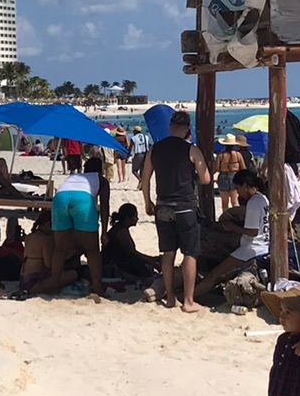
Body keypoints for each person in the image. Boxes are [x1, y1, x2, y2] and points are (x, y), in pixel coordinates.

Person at [141, 109, 212, 311]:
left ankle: (170, 297)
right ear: (187, 130)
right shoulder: (192, 150)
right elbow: (206, 179)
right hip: (185, 206)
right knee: (190, 253)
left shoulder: (155, 149)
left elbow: (145, 178)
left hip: (162, 205)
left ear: (170, 127)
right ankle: (188, 301)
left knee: (168, 252)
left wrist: (147, 201)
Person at [194, 169, 269, 303]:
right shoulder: (263, 199)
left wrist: (232, 227)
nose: (237, 192)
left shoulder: (253, 203)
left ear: (246, 185)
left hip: (252, 247)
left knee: (214, 275)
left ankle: (185, 297)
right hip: (264, 244)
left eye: (238, 188)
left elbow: (253, 232)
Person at [40, 156, 109, 298]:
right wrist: (104, 232)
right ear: (100, 171)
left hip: (60, 198)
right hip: (82, 199)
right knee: (92, 250)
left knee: (60, 249)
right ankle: (97, 288)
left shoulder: (75, 176)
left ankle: (54, 284)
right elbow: (104, 207)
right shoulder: (101, 180)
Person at [20, 210, 77, 295]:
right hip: (34, 283)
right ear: (47, 225)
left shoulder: (29, 237)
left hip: (23, 281)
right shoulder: (45, 240)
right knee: (73, 274)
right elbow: (49, 265)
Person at [101, 203, 158, 284]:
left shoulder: (120, 228)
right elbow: (132, 253)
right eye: (135, 216)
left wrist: (152, 258)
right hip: (114, 267)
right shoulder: (121, 232)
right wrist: (152, 262)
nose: (137, 219)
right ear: (127, 218)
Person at [213, 135, 244, 213]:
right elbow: (243, 168)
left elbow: (216, 168)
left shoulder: (221, 155)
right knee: (235, 201)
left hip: (223, 176)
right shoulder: (238, 155)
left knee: (224, 202)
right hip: (234, 176)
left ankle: (225, 219)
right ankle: (236, 217)